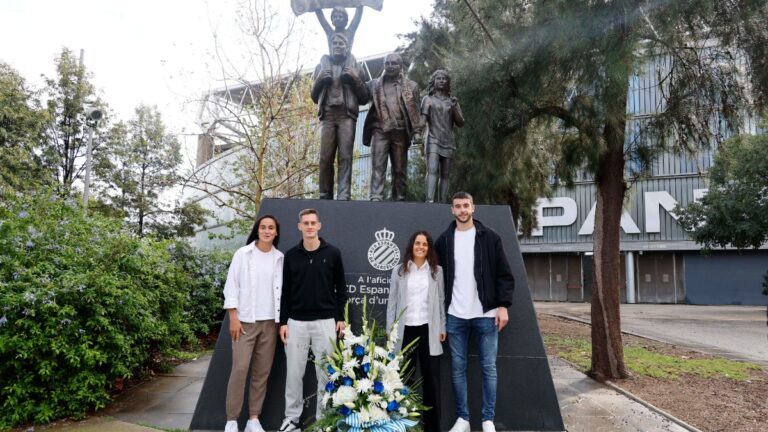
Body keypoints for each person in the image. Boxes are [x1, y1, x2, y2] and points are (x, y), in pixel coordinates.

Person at [435, 192, 515, 432]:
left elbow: (504, 275)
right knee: (457, 368)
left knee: (488, 367)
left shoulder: (490, 237)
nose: (462, 210)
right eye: (457, 206)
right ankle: (463, 419)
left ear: (473, 207)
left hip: (486, 314)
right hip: (455, 315)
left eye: (466, 205)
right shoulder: (444, 240)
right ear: (452, 210)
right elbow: (437, 279)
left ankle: (487, 419)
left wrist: (503, 306)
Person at [278, 209, 347, 431]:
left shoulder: (333, 253)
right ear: (299, 227)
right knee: (294, 374)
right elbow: (285, 292)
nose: (309, 226)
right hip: (296, 322)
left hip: (325, 321)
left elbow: (341, 289)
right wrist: (283, 322)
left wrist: (340, 318)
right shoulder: (290, 255)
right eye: (305, 223)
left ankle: (323, 421)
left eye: (312, 223)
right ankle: (292, 419)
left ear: (319, 226)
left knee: (325, 374)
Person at [222, 215, 284, 432]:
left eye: (271, 228)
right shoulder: (243, 254)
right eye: (263, 227)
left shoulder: (280, 258)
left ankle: (253, 420)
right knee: (239, 369)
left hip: (270, 324)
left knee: (262, 372)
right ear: (258, 230)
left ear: (276, 232)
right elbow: (231, 286)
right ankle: (231, 420)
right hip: (245, 322)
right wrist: (233, 317)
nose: (267, 231)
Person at [386, 230, 445, 432]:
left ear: (429, 248)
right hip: (405, 331)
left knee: (431, 381)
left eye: (425, 244)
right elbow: (391, 303)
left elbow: (441, 302)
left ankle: (432, 428)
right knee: (405, 379)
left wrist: (442, 327)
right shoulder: (399, 271)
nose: (421, 247)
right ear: (411, 245)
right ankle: (405, 426)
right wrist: (390, 330)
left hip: (429, 330)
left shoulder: (437, 271)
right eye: (417, 243)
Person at [311, 33, 369, 200]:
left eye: (340, 43)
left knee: (345, 157)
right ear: (330, 47)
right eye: (334, 43)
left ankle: (344, 195)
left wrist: (355, 79)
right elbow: (314, 97)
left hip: (346, 116)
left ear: (347, 46)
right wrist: (319, 80)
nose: (337, 45)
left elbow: (365, 97)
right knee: (325, 158)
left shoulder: (356, 67)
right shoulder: (320, 67)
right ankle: (324, 195)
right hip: (328, 116)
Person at [363, 53, 423, 201]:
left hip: (400, 132)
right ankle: (376, 197)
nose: (390, 66)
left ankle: (400, 199)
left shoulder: (412, 86)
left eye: (393, 63)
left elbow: (415, 111)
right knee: (378, 167)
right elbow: (360, 97)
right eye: (387, 63)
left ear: (400, 66)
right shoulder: (373, 84)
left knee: (400, 169)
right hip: (380, 130)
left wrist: (417, 131)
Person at [421, 69, 464, 203]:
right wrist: (416, 132)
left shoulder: (452, 101)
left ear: (448, 82)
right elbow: (422, 120)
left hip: (448, 140)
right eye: (438, 78)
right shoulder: (427, 99)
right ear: (434, 81)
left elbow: (461, 122)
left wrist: (455, 107)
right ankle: (429, 201)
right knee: (432, 170)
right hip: (433, 138)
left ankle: (443, 203)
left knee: (445, 175)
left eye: (444, 79)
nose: (441, 81)